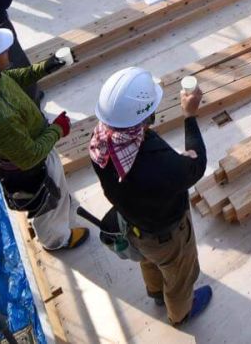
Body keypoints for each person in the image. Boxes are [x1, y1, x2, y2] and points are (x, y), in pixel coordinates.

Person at [0, 18, 87, 252]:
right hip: (32, 165)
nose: (7, 50)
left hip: (19, 148)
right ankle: (56, 240)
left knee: (55, 197)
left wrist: (46, 66)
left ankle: (58, 207)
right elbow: (30, 156)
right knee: (48, 206)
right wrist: (58, 128)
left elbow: (9, 79)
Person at [90, 67, 214, 326]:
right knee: (180, 277)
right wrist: (189, 116)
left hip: (135, 227)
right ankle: (180, 313)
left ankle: (156, 292)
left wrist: (176, 165)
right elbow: (197, 165)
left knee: (149, 259)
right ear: (146, 116)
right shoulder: (159, 164)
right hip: (167, 235)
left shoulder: (100, 143)